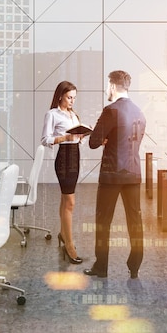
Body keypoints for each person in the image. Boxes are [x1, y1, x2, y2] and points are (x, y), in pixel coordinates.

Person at [84, 70, 146, 279]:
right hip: (134, 173)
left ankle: (101, 267)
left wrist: (100, 135)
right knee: (135, 220)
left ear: (112, 86)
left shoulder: (110, 111)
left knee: (103, 221)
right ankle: (135, 267)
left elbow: (93, 142)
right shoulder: (139, 112)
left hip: (111, 175)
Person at [41, 81, 84, 264]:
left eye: (74, 97)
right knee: (70, 202)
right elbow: (45, 139)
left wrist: (80, 136)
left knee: (65, 199)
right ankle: (70, 245)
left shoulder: (73, 115)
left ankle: (62, 234)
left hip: (75, 156)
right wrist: (66, 137)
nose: (72, 101)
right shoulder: (52, 114)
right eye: (69, 97)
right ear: (60, 96)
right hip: (64, 158)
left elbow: (75, 138)